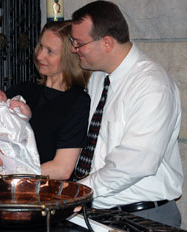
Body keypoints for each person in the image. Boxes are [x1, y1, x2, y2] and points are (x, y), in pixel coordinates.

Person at [70, 0, 183, 228]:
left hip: (142, 216)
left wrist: (80, 191)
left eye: (79, 43)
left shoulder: (151, 85)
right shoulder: (100, 78)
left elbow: (135, 162)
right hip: (100, 213)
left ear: (107, 43)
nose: (73, 49)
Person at [0, 20, 91, 180]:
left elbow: (62, 169)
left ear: (69, 57)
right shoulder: (24, 89)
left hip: (42, 195)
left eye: (49, 51)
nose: (39, 55)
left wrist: (4, 176)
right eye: (41, 46)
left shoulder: (77, 102)